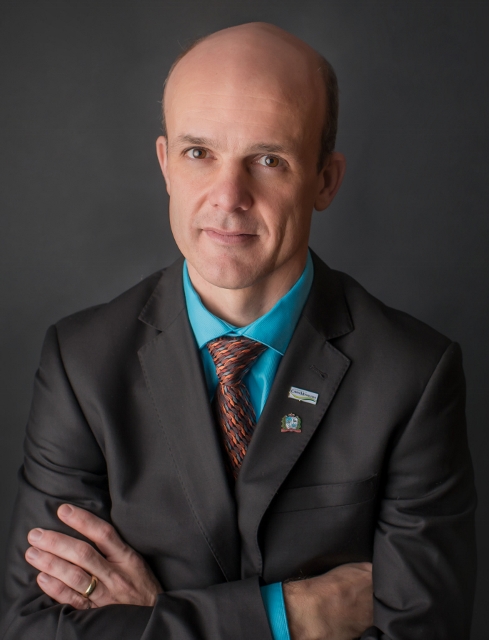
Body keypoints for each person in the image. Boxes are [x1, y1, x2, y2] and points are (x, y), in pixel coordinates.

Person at [0, 22, 476, 640]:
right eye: (199, 153)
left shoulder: (412, 375)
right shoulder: (81, 363)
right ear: (166, 164)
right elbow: (35, 628)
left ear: (325, 180)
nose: (228, 197)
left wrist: (155, 616)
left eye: (268, 159)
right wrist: (289, 616)